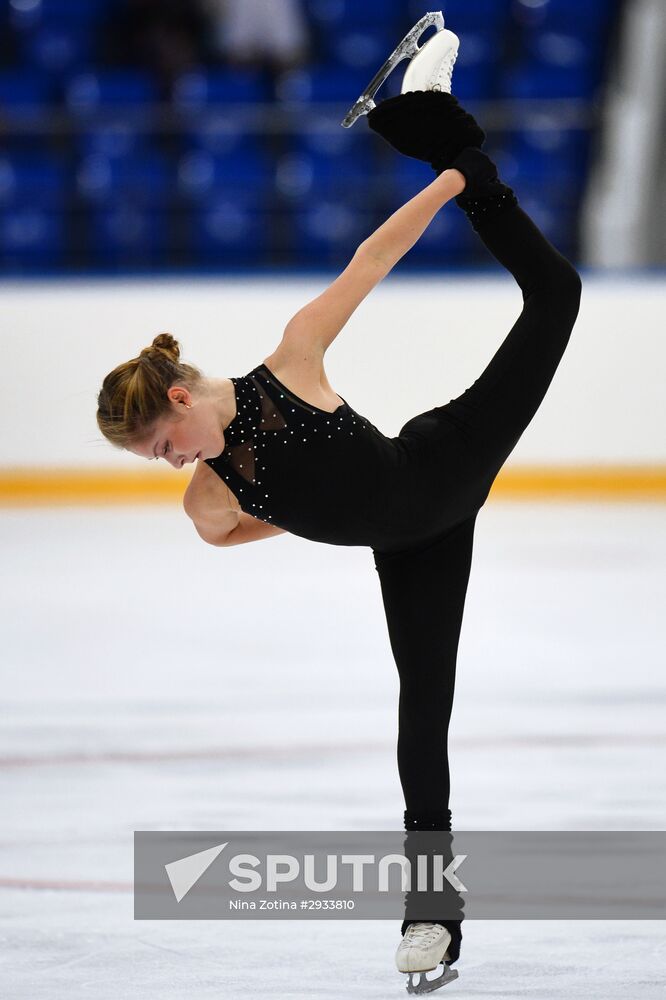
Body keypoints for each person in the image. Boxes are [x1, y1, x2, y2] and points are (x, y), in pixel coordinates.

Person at [96, 20, 582, 995]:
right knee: (424, 713)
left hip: (443, 458)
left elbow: (369, 258)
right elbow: (246, 529)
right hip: (414, 539)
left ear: (180, 401)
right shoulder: (208, 497)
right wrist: (329, 520)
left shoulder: (288, 362)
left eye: (159, 446)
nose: (166, 466)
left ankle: (441, 130)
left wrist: (456, 183)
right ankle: (432, 921)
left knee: (557, 294)